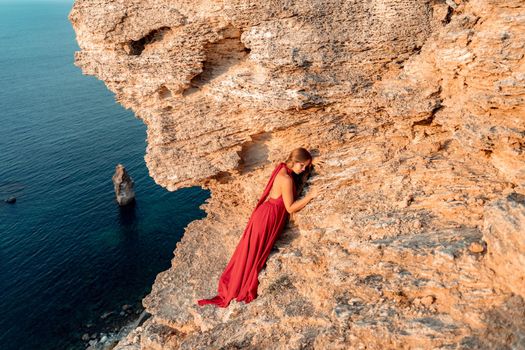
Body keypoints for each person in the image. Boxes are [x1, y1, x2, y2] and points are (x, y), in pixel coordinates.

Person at [197, 147, 317, 308]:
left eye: (305, 167)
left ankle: (234, 281)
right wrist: (311, 196)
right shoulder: (286, 179)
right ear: (294, 162)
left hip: (265, 214)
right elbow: (290, 208)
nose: (303, 170)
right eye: (302, 166)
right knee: (252, 256)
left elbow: (296, 166)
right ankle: (235, 287)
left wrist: (311, 162)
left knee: (248, 253)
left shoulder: (282, 167)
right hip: (268, 219)